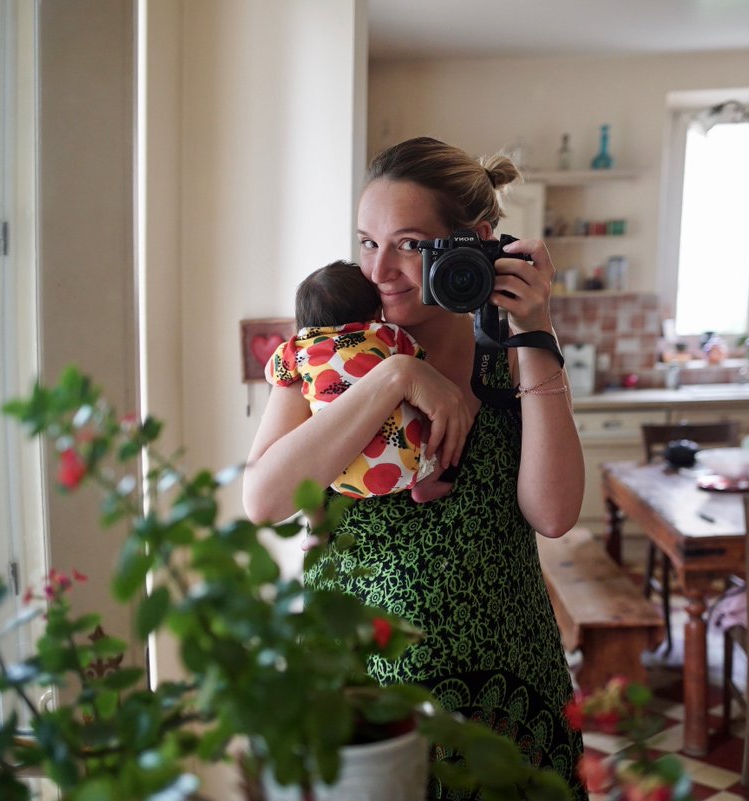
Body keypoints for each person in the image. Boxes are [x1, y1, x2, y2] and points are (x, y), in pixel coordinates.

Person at [243, 136, 586, 799]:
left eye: (406, 242)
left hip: (506, 701)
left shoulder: (508, 352)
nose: (379, 270)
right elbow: (263, 499)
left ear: (474, 241)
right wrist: (396, 376)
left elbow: (554, 511)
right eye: (367, 242)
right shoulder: (325, 357)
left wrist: (537, 331)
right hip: (366, 707)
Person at [265, 258, 453, 503]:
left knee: (310, 473)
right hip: (406, 464)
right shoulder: (386, 334)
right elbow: (419, 359)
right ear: (376, 312)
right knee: (433, 441)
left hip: (338, 475)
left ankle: (316, 525)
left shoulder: (298, 350)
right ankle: (424, 486)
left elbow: (273, 375)